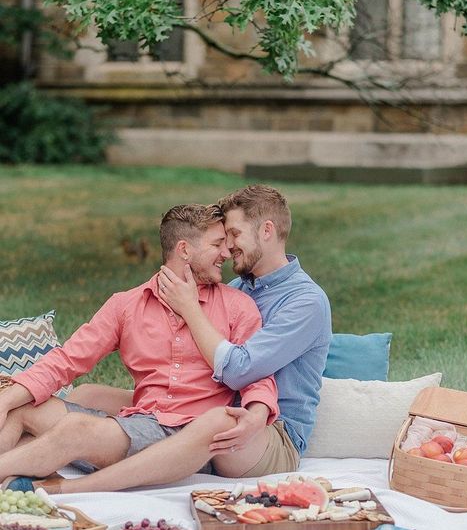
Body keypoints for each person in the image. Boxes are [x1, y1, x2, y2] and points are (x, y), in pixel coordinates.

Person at [0, 204, 283, 493]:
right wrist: (7, 399)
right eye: (217, 244)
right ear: (184, 250)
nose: (226, 253)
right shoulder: (126, 305)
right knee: (23, 408)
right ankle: (18, 480)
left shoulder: (237, 307)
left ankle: (28, 473)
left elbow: (256, 374)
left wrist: (256, 414)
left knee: (76, 429)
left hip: (186, 439)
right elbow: (67, 360)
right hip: (137, 424)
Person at [158, 184, 332, 463]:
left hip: (273, 435)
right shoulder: (237, 288)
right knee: (95, 396)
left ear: (267, 231)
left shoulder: (306, 302)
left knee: (214, 424)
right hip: (216, 411)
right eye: (224, 238)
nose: (227, 247)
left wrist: (190, 308)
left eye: (235, 234)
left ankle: (83, 486)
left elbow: (239, 370)